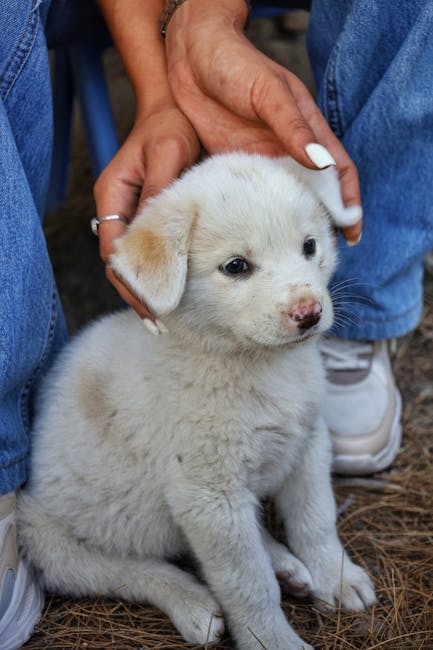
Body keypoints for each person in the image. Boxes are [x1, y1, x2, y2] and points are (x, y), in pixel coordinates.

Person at [1, 0, 432, 647]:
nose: (304, 298)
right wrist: (258, 621)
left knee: (296, 431)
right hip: (107, 516)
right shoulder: (184, 371)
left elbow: (304, 440)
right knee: (206, 497)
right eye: (236, 266)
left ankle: (287, 545)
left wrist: (200, 24)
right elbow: (208, 503)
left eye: (309, 249)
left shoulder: (284, 322)